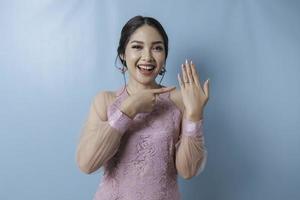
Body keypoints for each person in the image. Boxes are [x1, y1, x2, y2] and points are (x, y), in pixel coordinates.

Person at [76, 15, 210, 200]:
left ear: (164, 56)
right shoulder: (105, 100)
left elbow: (188, 171)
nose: (147, 56)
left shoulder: (180, 101)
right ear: (123, 53)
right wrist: (127, 110)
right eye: (137, 47)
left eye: (157, 48)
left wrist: (195, 116)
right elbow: (87, 164)